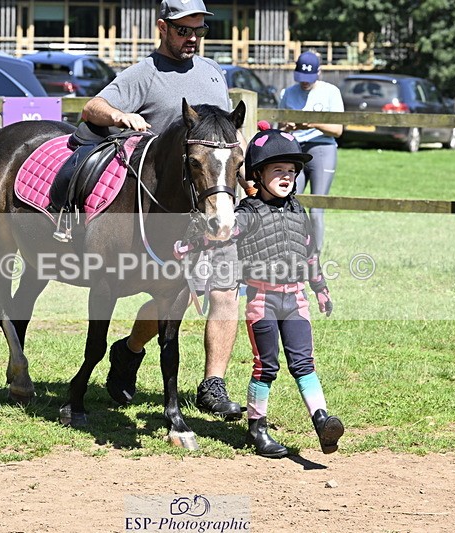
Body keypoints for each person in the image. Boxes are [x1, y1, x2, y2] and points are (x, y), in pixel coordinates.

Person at [81, 0, 243, 419]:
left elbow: (223, 143)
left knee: (225, 290)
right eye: (183, 30)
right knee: (171, 296)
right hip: (161, 214)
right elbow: (91, 108)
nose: (192, 38)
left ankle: (213, 385)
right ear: (163, 28)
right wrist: (121, 115)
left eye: (198, 31)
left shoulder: (212, 73)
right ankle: (130, 350)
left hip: (212, 203)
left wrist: (240, 185)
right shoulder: (144, 74)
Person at [178, 126, 344, 458]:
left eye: (292, 171)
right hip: (263, 301)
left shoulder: (299, 211)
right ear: (257, 174)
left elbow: (310, 253)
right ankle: (258, 428)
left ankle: (322, 420)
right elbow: (221, 235)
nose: (287, 176)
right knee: (266, 366)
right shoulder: (247, 214)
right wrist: (191, 243)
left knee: (304, 363)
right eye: (278, 170)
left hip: (296, 300)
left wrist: (320, 288)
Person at [278, 50, 344, 254]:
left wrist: (311, 123)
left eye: (309, 79)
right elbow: (279, 127)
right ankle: (291, 248)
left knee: (316, 208)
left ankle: (315, 255)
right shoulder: (287, 93)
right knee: (289, 201)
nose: (304, 83)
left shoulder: (331, 92)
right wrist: (288, 126)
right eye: (301, 79)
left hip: (322, 148)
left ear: (319, 72)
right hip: (295, 150)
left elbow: (338, 130)